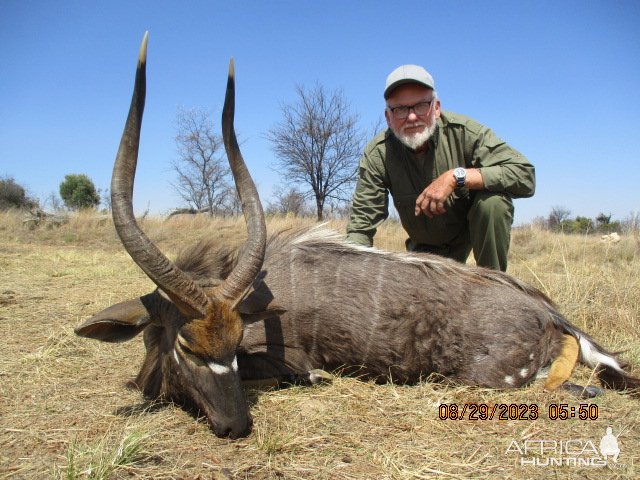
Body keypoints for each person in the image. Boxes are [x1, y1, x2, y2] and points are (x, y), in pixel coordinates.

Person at [346, 64, 535, 271]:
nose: (411, 117)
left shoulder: (465, 133)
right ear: (388, 117)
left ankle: (494, 287)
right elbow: (361, 226)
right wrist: (350, 273)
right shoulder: (378, 153)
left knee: (493, 203)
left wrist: (456, 177)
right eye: (400, 109)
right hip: (425, 251)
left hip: (470, 233)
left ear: (436, 108)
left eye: (421, 106)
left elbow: (524, 175)